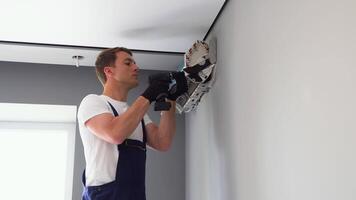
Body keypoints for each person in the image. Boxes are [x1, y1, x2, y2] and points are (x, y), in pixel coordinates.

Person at [77, 47, 187, 200]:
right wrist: (148, 95)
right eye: (128, 63)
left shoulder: (137, 115)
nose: (136, 67)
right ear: (109, 71)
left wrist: (171, 98)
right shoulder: (93, 102)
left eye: (134, 63)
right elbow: (115, 134)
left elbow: (163, 142)